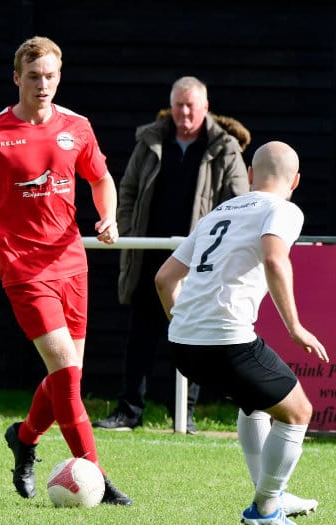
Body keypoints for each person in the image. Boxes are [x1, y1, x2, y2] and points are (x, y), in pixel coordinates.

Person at [0, 36, 131, 506]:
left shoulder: (77, 127)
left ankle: (25, 437)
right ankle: (96, 476)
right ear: (17, 78)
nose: (42, 84)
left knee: (66, 377)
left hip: (71, 262)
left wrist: (108, 216)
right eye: (33, 76)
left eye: (50, 76)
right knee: (66, 373)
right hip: (22, 264)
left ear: (59, 76)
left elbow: (101, 179)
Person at [154, 141, 328, 525]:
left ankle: (271, 494)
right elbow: (274, 259)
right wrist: (295, 327)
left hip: (181, 343)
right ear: (295, 181)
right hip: (224, 341)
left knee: (257, 406)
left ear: (250, 174)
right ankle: (265, 508)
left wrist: (186, 326)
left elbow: (164, 279)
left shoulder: (218, 212)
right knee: (298, 413)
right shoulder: (283, 209)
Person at [93, 76, 250, 434]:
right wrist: (129, 233)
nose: (184, 113)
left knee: (191, 338)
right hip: (149, 256)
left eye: (190, 106)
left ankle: (184, 414)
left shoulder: (225, 148)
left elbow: (239, 203)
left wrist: (217, 249)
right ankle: (129, 412)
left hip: (197, 260)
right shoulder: (150, 141)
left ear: (205, 107)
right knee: (141, 338)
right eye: (178, 105)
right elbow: (127, 191)